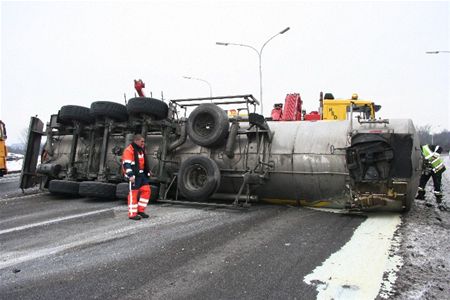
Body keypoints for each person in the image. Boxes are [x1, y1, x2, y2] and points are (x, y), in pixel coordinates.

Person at [122, 134, 152, 220]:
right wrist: (130, 175)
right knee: (133, 194)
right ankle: (132, 214)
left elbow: (143, 162)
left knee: (146, 190)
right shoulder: (129, 150)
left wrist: (148, 170)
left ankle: (140, 211)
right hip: (134, 176)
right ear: (136, 141)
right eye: (142, 141)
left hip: (142, 175)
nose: (143, 143)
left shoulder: (141, 150)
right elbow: (126, 164)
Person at [416, 144, 447, 210]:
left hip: (437, 168)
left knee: (437, 184)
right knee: (422, 182)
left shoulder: (427, 147)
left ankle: (438, 199)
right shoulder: (418, 153)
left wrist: (434, 156)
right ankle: (420, 195)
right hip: (428, 169)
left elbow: (439, 147)